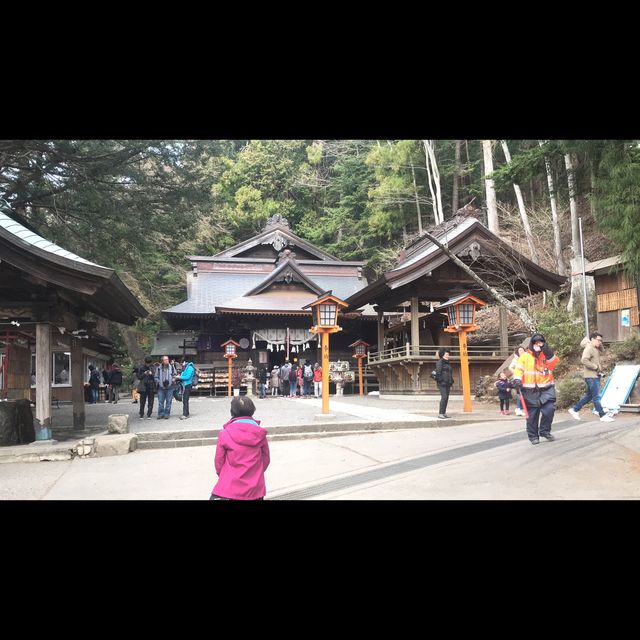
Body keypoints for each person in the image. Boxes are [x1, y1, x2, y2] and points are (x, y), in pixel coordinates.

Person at [210, 395, 270, 501]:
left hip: (230, 487)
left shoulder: (225, 433)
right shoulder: (260, 434)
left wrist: (224, 475)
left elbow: (219, 462)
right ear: (252, 411)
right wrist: (256, 473)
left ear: (232, 412)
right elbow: (266, 459)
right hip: (255, 489)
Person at [511, 333, 560, 445]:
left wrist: (548, 352)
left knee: (549, 410)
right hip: (529, 389)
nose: (538, 344)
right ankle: (533, 436)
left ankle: (544, 431)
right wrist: (517, 380)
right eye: (536, 342)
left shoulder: (546, 355)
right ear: (532, 344)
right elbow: (518, 370)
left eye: (540, 342)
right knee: (532, 415)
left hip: (546, 387)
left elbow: (553, 364)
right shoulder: (525, 356)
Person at [568, 331, 615, 423]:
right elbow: (584, 360)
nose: (600, 342)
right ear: (592, 339)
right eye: (598, 340)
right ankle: (602, 415)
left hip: (594, 375)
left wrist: (599, 343)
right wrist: (595, 367)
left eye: (601, 340)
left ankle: (574, 409)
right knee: (596, 397)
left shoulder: (595, 347)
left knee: (589, 395)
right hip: (591, 376)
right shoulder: (589, 348)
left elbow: (603, 350)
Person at [155, 355, 177, 419]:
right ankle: (161, 414)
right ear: (162, 361)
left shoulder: (172, 367)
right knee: (160, 402)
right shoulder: (159, 368)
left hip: (170, 387)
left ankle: (167, 414)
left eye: (167, 359)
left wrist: (173, 379)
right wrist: (159, 382)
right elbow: (156, 377)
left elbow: (175, 375)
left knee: (169, 401)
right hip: (161, 387)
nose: (167, 361)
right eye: (165, 360)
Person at [435, 348, 454, 419]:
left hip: (448, 382)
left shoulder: (447, 363)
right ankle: (440, 413)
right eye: (446, 354)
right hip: (442, 383)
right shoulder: (440, 362)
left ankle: (443, 413)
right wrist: (441, 381)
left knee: (446, 398)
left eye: (448, 354)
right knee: (444, 397)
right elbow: (438, 373)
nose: (448, 356)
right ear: (442, 355)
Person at [508, 346, 526, 416]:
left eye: (522, 350)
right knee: (519, 393)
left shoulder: (526, 358)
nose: (521, 351)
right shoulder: (516, 359)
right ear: (517, 352)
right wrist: (515, 372)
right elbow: (510, 367)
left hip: (526, 378)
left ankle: (521, 408)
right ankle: (519, 408)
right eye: (520, 350)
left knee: (524, 394)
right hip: (518, 378)